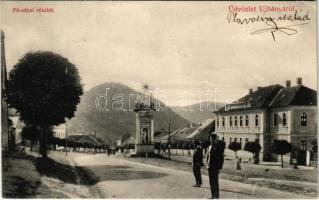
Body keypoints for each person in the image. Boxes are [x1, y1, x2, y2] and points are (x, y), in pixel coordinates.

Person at [206, 133, 225, 199]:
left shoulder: (218, 147)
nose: (211, 141)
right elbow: (208, 157)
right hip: (209, 166)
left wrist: (220, 167)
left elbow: (221, 158)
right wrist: (206, 164)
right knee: (211, 182)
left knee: (215, 182)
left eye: (212, 139)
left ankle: (216, 196)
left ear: (215, 139)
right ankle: (212, 195)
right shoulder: (209, 147)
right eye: (210, 139)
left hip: (215, 167)